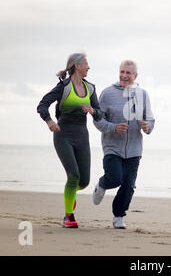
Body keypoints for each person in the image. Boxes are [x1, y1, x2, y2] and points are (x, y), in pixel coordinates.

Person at [37, 53, 102, 228]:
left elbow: (100, 112)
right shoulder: (63, 86)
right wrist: (49, 121)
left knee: (84, 181)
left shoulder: (91, 88)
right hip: (63, 133)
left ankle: (70, 193)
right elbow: (42, 104)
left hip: (82, 135)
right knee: (73, 175)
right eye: (86, 63)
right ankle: (68, 216)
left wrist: (93, 111)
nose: (89, 67)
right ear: (77, 66)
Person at [92, 60, 155, 229]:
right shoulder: (107, 94)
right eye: (122, 72)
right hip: (112, 147)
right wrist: (113, 128)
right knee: (115, 178)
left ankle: (118, 216)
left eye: (128, 73)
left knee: (128, 185)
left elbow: (150, 119)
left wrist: (147, 127)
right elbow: (97, 120)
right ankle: (102, 185)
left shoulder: (143, 95)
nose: (124, 76)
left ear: (135, 76)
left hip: (134, 148)